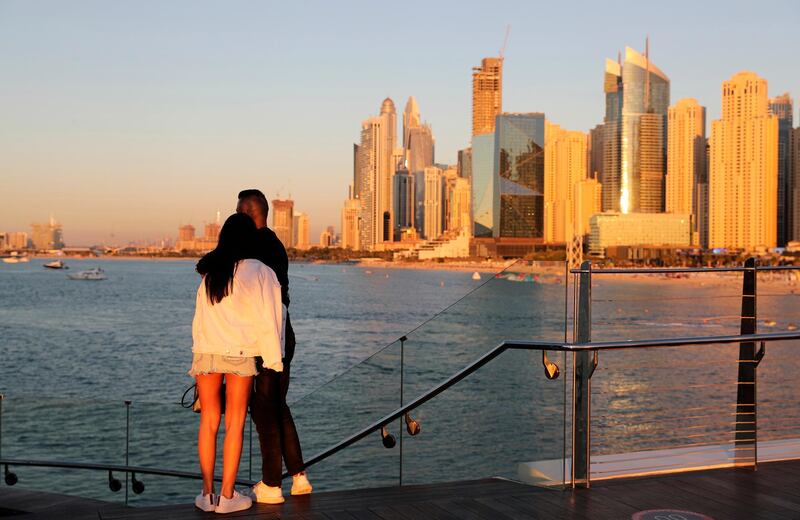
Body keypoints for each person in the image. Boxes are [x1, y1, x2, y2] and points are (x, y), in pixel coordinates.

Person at [189, 213, 285, 514]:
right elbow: (270, 319)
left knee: (209, 423)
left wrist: (200, 353)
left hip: (207, 351)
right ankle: (228, 496)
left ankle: (207, 495)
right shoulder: (259, 271)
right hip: (240, 353)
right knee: (235, 424)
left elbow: (199, 320)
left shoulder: (211, 274)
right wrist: (273, 359)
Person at [236, 189, 312, 504]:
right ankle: (298, 476)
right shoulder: (276, 243)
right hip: (284, 330)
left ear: (248, 211)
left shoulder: (252, 246)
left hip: (264, 333)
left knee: (263, 409)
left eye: (237, 209)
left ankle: (271, 484)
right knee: (278, 406)